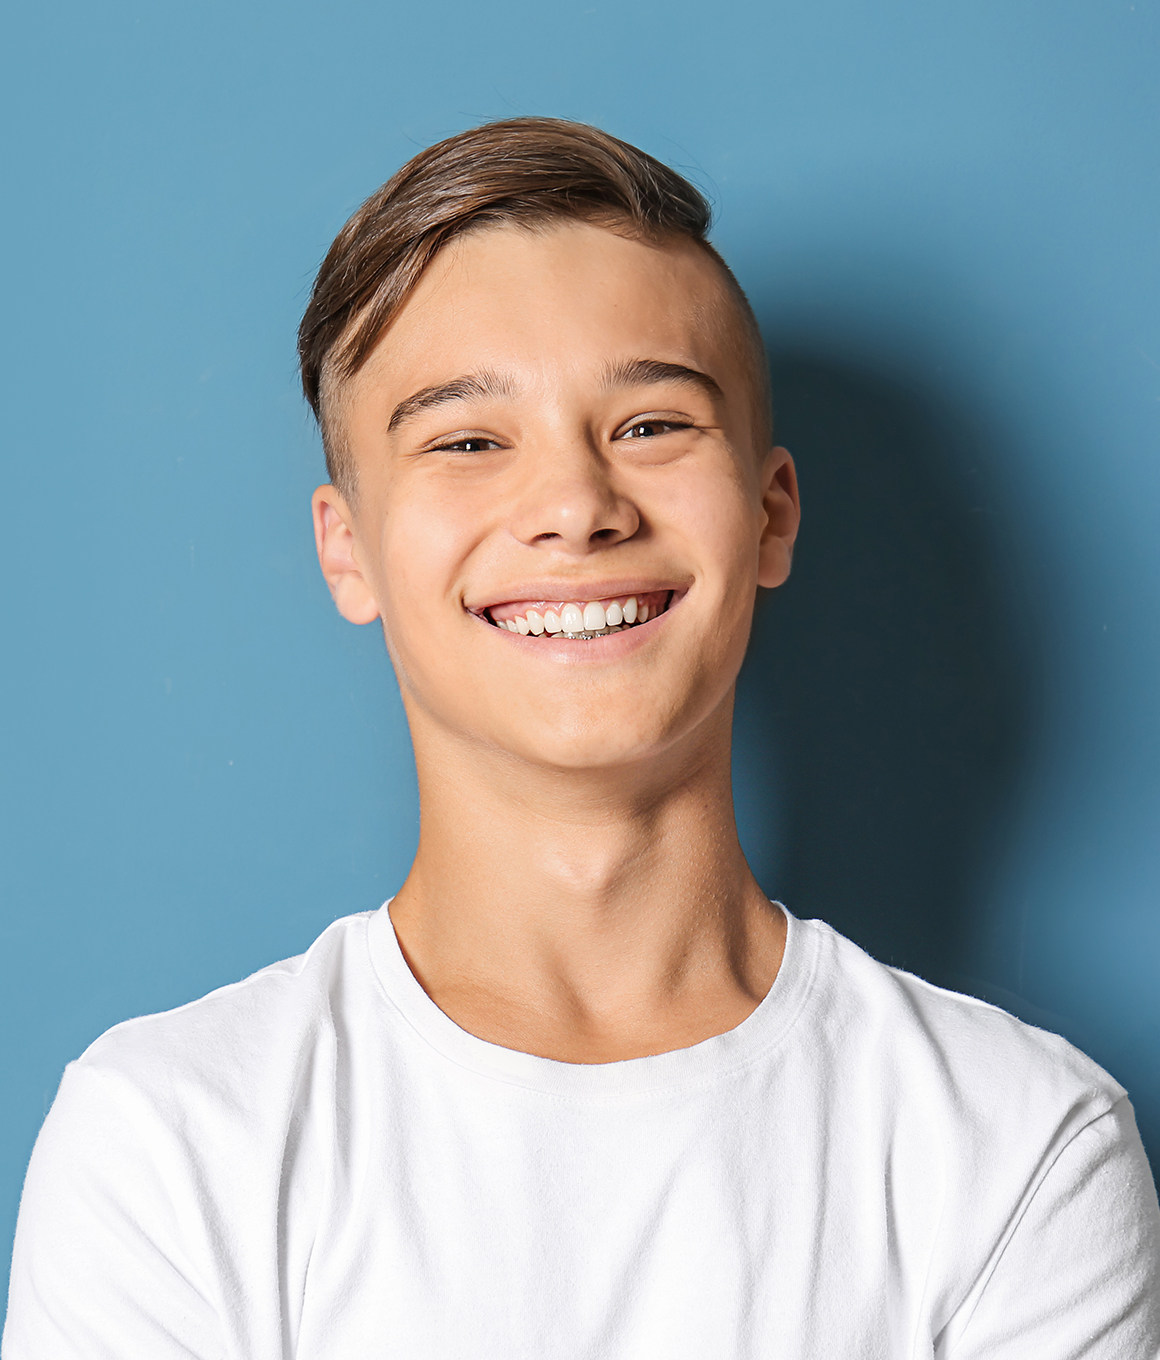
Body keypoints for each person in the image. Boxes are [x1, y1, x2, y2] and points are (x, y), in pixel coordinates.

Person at [4, 117, 1159, 1359]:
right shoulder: (167, 1139)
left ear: (770, 517)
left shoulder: (1022, 1144)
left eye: (652, 425)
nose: (573, 507)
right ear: (349, 548)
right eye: (466, 441)